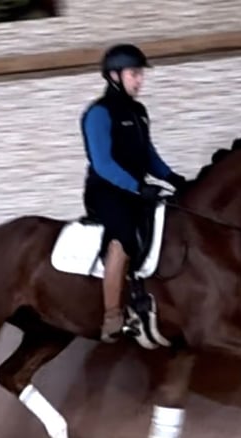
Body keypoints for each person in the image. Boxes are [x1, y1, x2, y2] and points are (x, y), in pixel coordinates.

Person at [80, 43, 188, 343]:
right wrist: (138, 187)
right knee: (124, 235)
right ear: (114, 76)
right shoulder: (98, 114)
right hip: (107, 191)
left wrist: (174, 179)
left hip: (138, 190)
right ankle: (112, 316)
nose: (139, 80)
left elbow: (148, 155)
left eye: (140, 74)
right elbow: (103, 164)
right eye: (134, 74)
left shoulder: (139, 112)